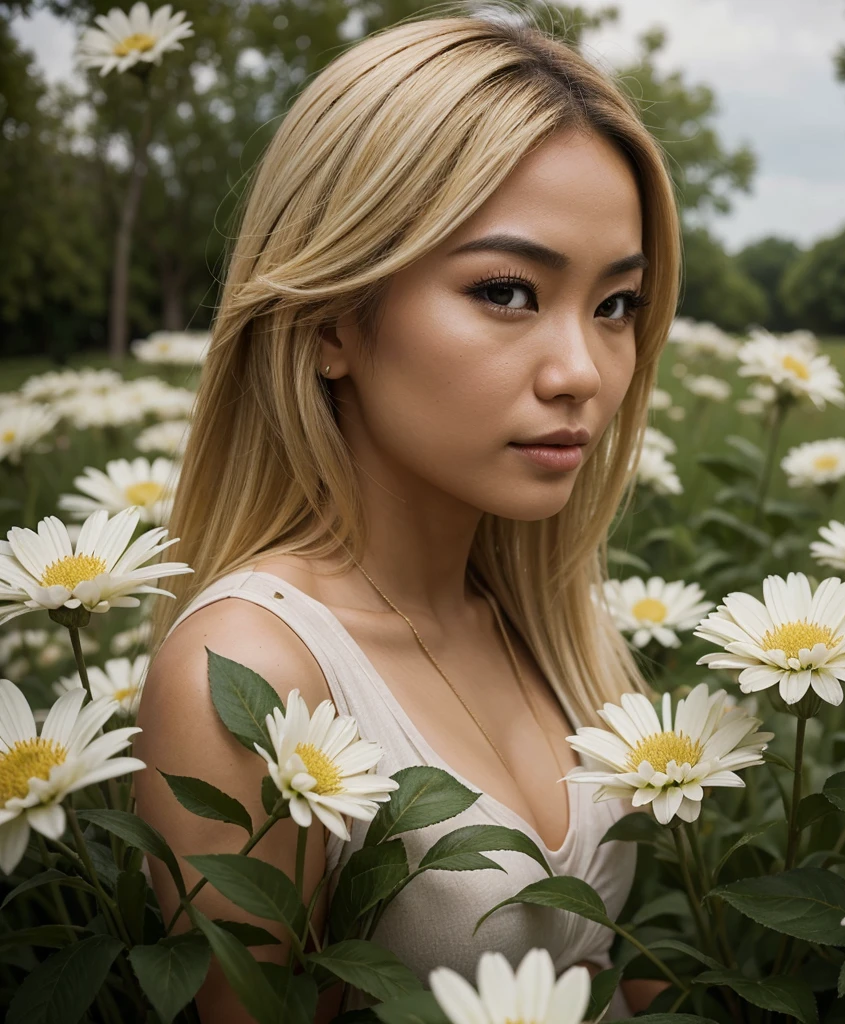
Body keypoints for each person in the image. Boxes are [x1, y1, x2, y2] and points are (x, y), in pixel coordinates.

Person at [134, 6, 682, 1021]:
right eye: (509, 290)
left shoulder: (550, 620)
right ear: (333, 317)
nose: (582, 374)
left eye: (615, 305)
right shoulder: (252, 673)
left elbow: (624, 971)